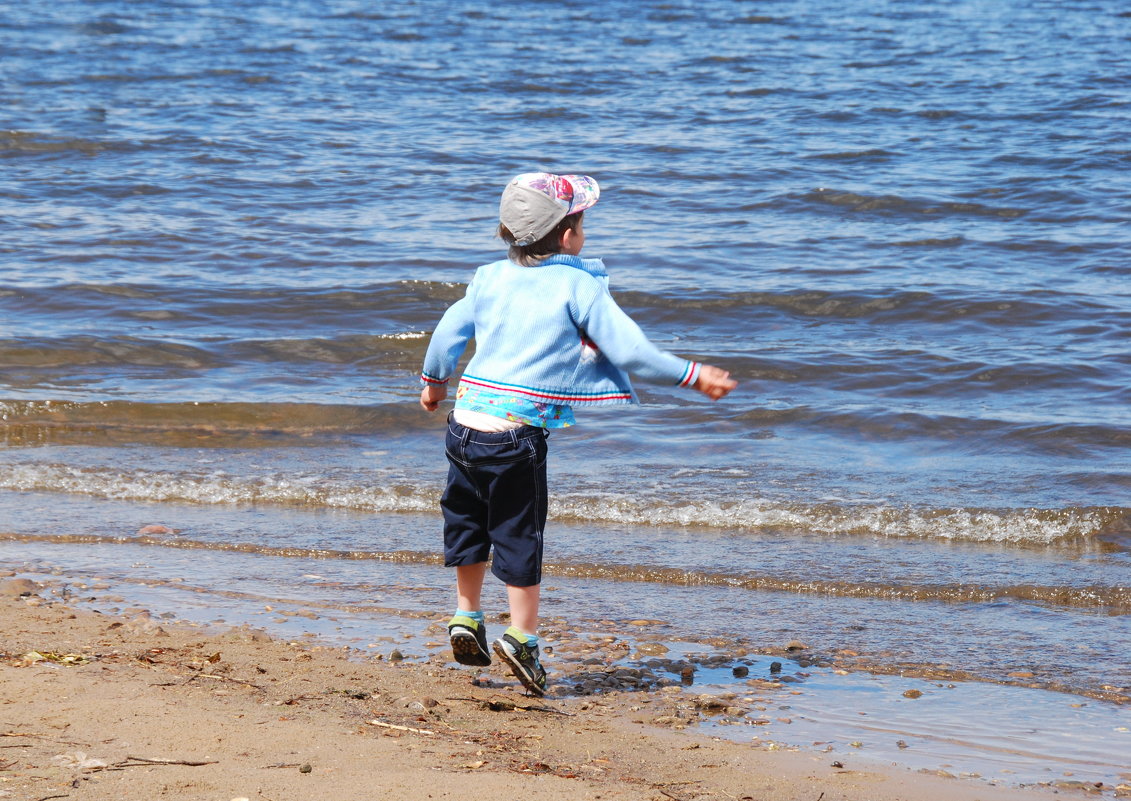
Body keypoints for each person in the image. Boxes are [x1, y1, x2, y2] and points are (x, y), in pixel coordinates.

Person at [418, 172, 736, 695]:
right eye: (582, 223)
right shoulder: (577, 285)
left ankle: (465, 617)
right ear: (567, 236)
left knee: (468, 522)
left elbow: (448, 333)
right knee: (519, 536)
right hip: (515, 437)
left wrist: (433, 385)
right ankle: (521, 640)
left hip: (464, 425)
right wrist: (692, 374)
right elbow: (629, 350)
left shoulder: (488, 277)